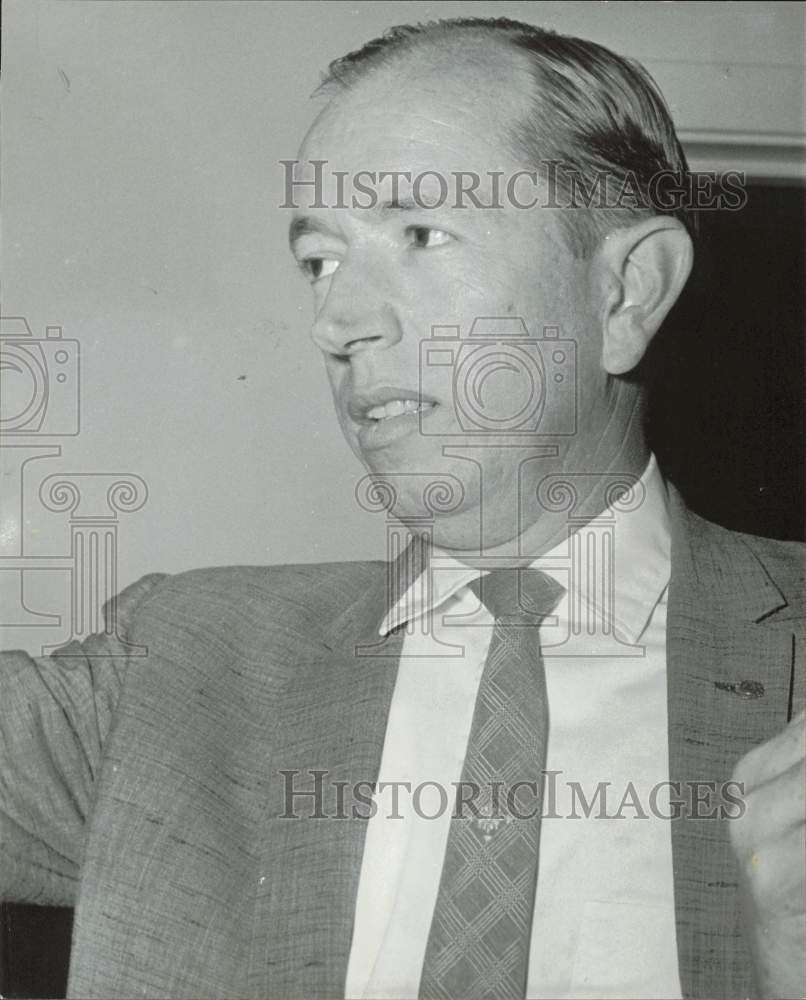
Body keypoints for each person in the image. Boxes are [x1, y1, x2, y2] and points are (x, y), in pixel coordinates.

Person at [1, 16, 804, 1000]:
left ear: (624, 291)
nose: (336, 321)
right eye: (320, 260)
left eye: (419, 234)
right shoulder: (179, 665)